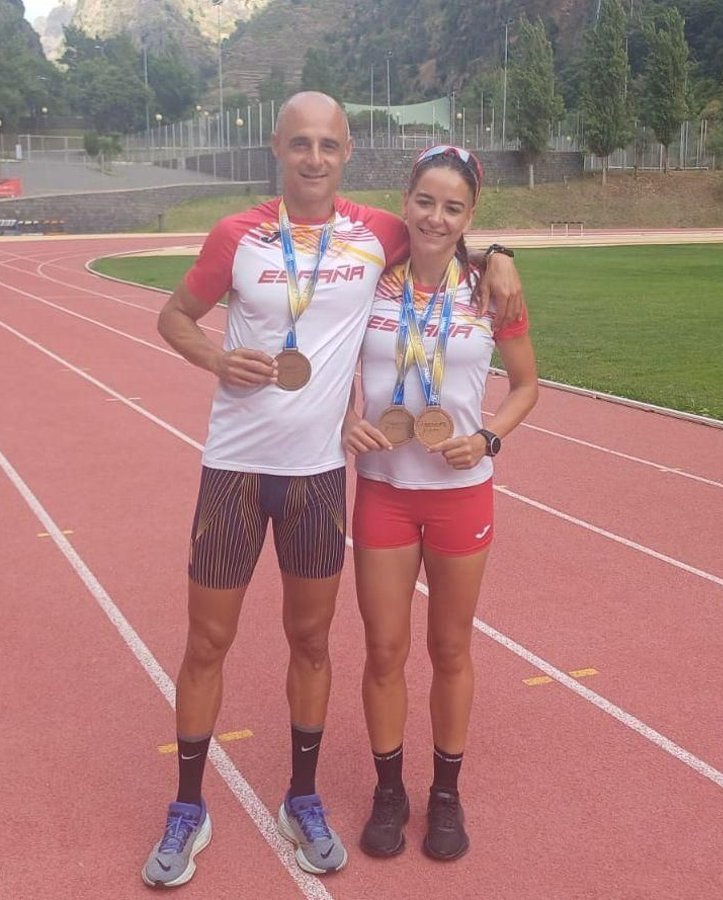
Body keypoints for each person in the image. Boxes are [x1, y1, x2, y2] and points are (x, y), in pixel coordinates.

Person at [148, 94, 525, 888]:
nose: (314, 158)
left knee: (313, 643)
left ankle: (303, 797)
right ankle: (188, 808)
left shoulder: (376, 234)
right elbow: (175, 316)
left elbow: (447, 232)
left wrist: (501, 252)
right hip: (234, 469)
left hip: (321, 476)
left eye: (328, 145)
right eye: (300, 145)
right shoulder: (236, 237)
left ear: (348, 153)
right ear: (277, 150)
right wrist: (215, 360)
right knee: (206, 642)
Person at [342, 145, 538, 862]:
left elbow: (524, 386)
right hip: (385, 492)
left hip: (460, 494)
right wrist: (342, 419)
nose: (436, 216)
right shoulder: (370, 281)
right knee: (384, 649)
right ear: (406, 200)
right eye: (426, 200)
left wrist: (487, 438)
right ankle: (389, 790)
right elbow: (332, 367)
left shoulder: (492, 288)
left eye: (453, 207)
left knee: (450, 649)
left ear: (470, 217)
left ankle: (445, 795)